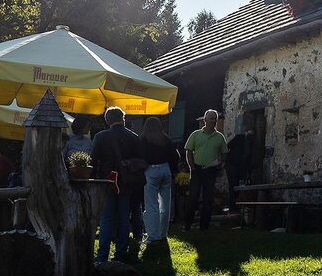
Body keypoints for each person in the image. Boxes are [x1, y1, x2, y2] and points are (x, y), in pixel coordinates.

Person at [91, 106, 144, 263]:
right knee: (123, 218)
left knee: (106, 219)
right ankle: (121, 253)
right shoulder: (134, 137)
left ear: (107, 120)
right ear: (123, 119)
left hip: (106, 181)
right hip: (126, 182)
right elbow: (141, 161)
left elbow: (92, 160)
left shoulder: (100, 137)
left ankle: (102, 256)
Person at [183, 109, 228, 231]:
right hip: (197, 169)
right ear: (205, 120)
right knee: (193, 197)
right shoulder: (196, 134)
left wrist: (221, 163)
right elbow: (188, 151)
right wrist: (191, 166)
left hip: (211, 170)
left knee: (208, 199)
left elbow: (224, 152)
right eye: (211, 118)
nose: (213, 121)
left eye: (215, 119)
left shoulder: (219, 137)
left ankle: (204, 227)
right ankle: (187, 225)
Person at [142, 116, 181, 246]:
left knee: (151, 204)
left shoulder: (144, 140)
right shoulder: (166, 139)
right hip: (166, 169)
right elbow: (175, 156)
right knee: (165, 204)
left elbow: (142, 157)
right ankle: (163, 233)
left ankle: (153, 235)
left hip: (151, 170)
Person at [224, 128, 254, 212]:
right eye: (250, 131)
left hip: (240, 167)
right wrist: (224, 160)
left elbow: (248, 158)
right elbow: (227, 147)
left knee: (237, 186)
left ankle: (235, 206)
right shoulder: (239, 138)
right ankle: (232, 207)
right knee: (233, 186)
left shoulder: (252, 143)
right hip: (231, 165)